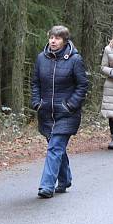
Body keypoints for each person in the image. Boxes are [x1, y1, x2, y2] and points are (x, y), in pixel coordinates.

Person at [31, 25, 89, 198]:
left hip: (66, 113)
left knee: (55, 147)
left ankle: (46, 186)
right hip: (46, 112)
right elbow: (35, 83)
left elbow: (82, 85)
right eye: (51, 37)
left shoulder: (75, 59)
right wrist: (36, 102)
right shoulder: (41, 58)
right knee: (57, 148)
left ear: (64, 41)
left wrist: (70, 105)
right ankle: (64, 179)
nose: (53, 41)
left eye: (57, 38)